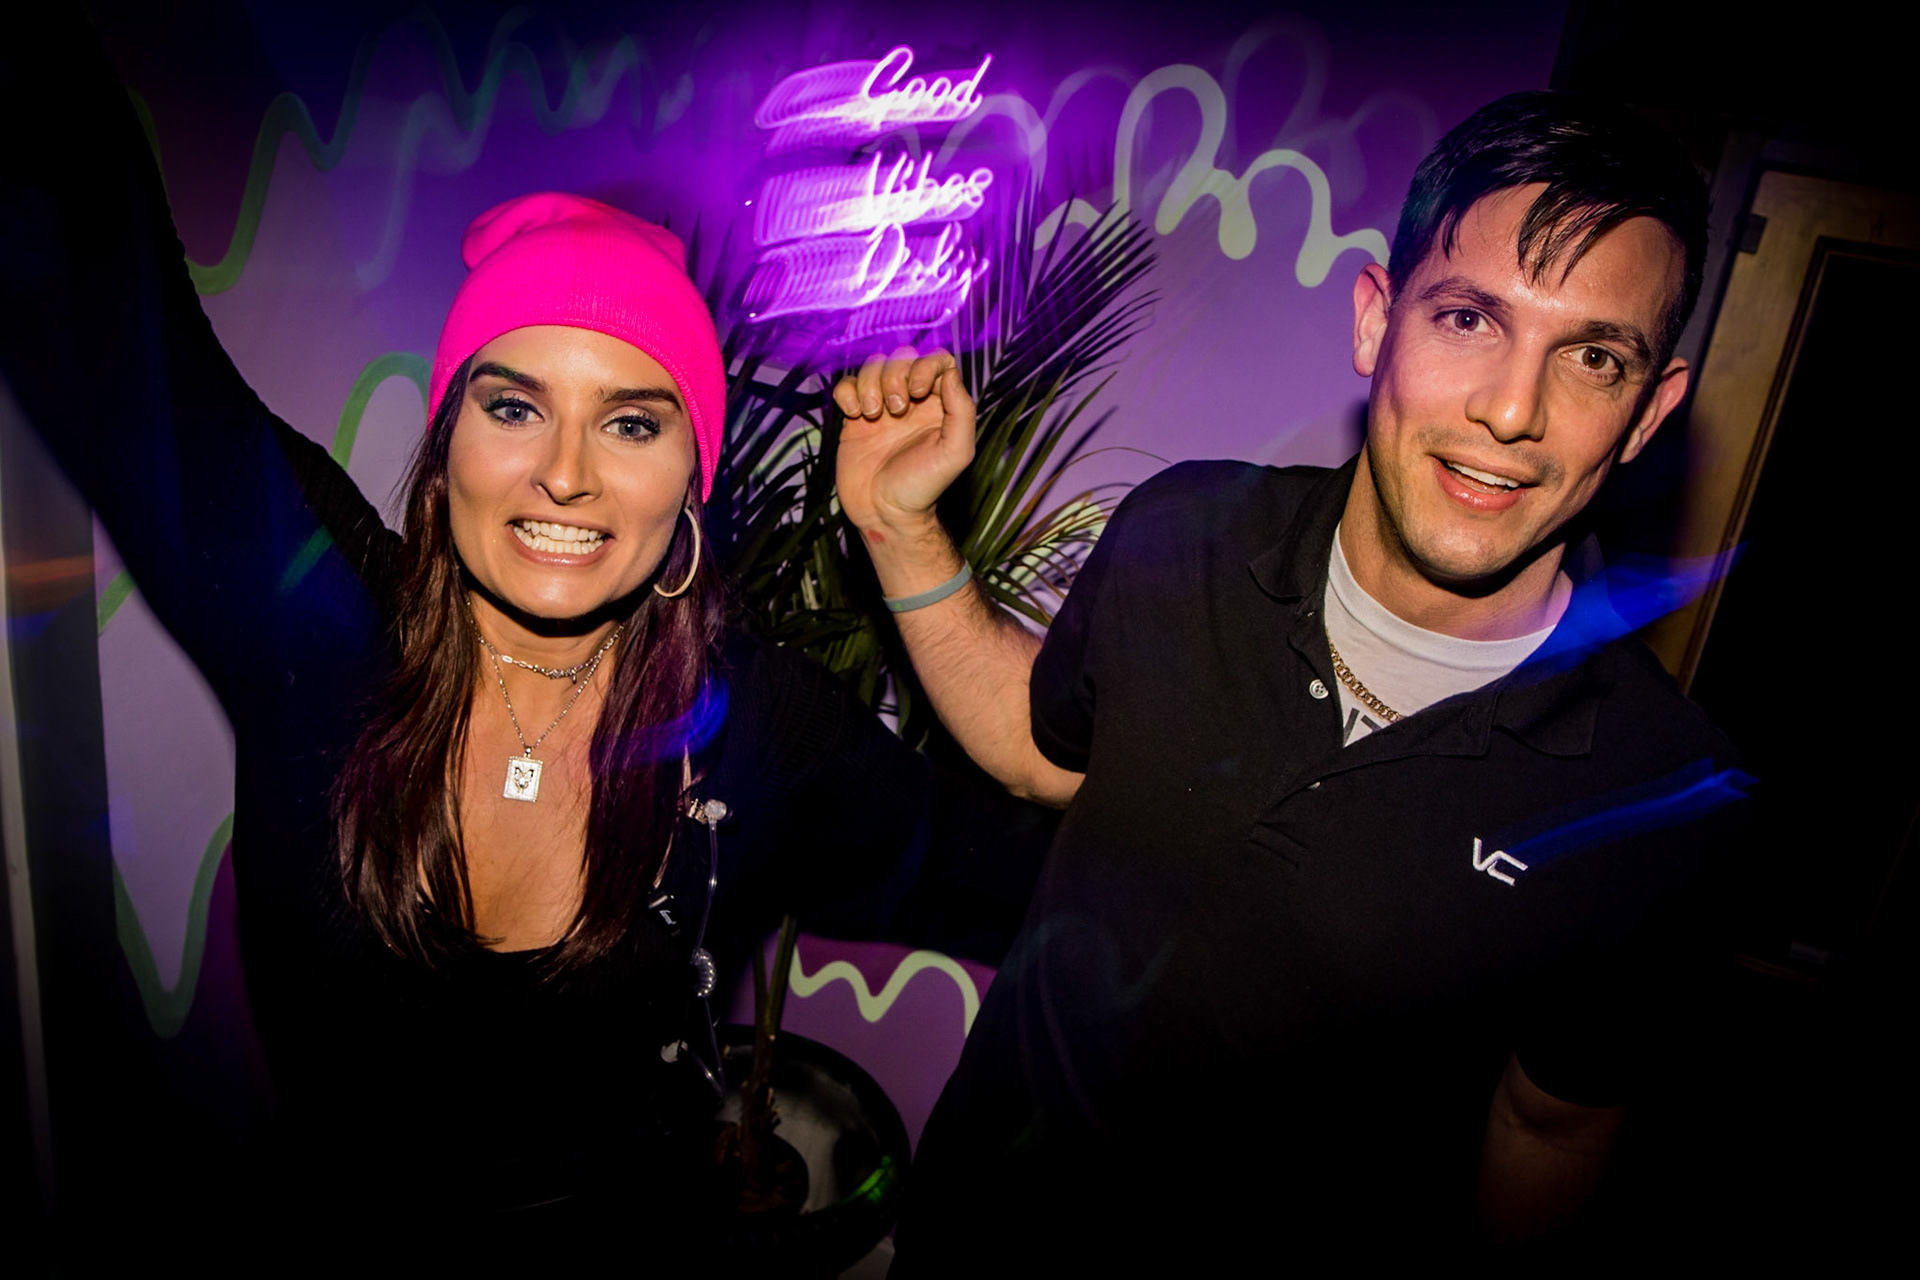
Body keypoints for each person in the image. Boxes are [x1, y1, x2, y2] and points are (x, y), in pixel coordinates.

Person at [1, 23, 952, 1251]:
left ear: (691, 481)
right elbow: (105, 287)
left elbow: (1036, 856)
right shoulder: (320, 623)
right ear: (447, 444)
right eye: (514, 406)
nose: (564, 472)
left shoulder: (752, 722)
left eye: (631, 422)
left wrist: (907, 541)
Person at [834, 92, 1749, 1265]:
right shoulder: (1186, 532)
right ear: (1376, 321)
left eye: (1592, 356)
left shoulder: (1661, 793)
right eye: (1468, 317)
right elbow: (1041, 747)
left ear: (1648, 411)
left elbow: (1549, 1123)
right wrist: (903, 530)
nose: (1513, 410)